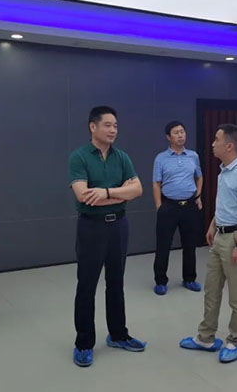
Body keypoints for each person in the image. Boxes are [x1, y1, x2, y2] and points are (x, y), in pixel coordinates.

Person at [68, 106, 147, 367]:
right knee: (87, 285)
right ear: (93, 127)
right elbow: (84, 197)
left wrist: (105, 193)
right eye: (108, 125)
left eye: (116, 126)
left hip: (119, 226)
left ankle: (118, 335)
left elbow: (138, 189)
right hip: (91, 227)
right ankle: (84, 343)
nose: (113, 130)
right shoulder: (79, 157)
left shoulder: (122, 157)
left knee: (116, 282)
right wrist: (121, 193)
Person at [180, 124, 237, 363]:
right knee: (211, 289)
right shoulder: (224, 171)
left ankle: (235, 340)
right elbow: (225, 203)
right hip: (221, 235)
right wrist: (213, 225)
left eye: (216, 139)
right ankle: (205, 337)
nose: (212, 144)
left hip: (236, 237)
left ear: (230, 145)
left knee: (236, 295)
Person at [152, 121, 203, 295]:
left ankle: (189, 278)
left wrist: (198, 196)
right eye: (176, 132)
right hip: (169, 206)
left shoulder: (193, 156)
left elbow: (199, 176)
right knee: (163, 245)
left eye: (182, 131)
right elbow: (156, 183)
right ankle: (160, 281)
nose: (180, 135)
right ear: (168, 137)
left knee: (190, 244)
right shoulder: (161, 158)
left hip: (189, 206)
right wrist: (159, 206)